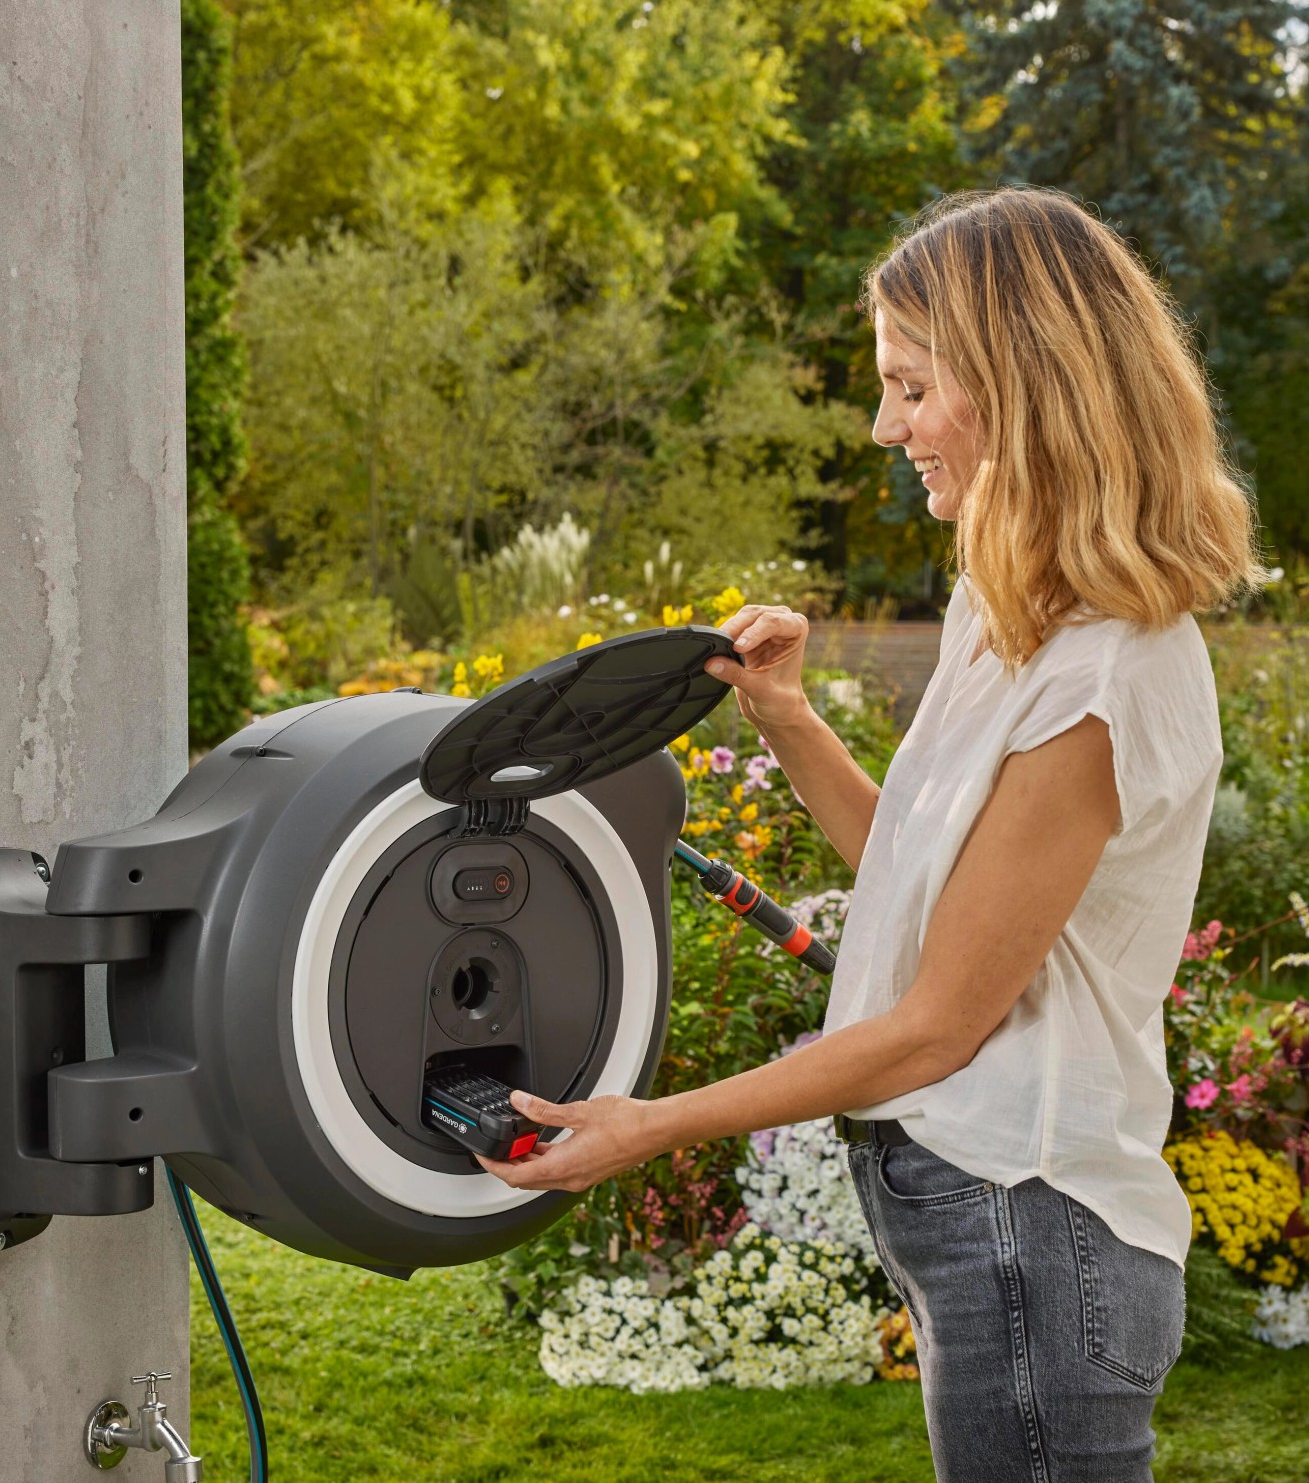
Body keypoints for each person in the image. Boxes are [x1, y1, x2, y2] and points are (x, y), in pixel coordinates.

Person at [476, 186, 1265, 1480]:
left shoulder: (1106, 674)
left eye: (912, 387)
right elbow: (916, 877)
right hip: (991, 1226)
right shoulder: (1011, 615)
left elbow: (940, 1020)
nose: (885, 424)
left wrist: (651, 1125)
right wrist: (785, 718)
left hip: (1037, 1227)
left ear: (1024, 385)